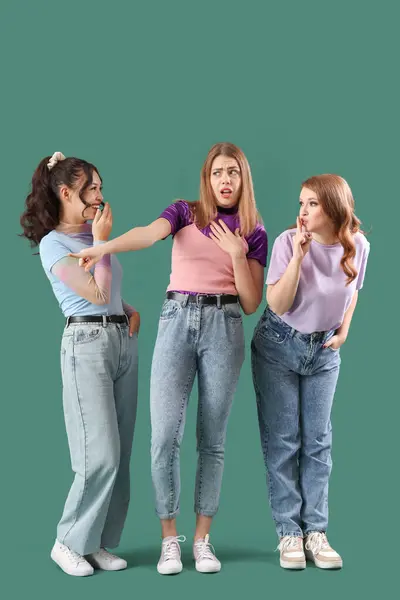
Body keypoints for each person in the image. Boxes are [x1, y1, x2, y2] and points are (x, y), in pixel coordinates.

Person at [70, 142, 268, 574]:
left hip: (225, 324)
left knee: (212, 440)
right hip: (177, 319)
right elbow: (147, 233)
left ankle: (202, 541)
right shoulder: (185, 211)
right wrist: (102, 248)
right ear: (207, 177)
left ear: (243, 178)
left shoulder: (254, 232)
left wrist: (237, 255)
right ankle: (170, 541)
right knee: (164, 438)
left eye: (233, 172)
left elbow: (252, 302)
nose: (225, 180)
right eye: (217, 172)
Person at [20, 152, 140, 577]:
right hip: (85, 344)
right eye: (92, 188)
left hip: (121, 340)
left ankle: (98, 543)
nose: (100, 197)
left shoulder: (93, 233)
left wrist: (125, 308)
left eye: (101, 187)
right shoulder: (55, 243)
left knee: (121, 454)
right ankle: (67, 541)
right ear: (66, 193)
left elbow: (107, 293)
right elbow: (90, 294)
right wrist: (103, 246)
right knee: (98, 454)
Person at [251, 174, 370, 570]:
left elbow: (353, 294)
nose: (302, 212)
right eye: (301, 203)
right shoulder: (288, 243)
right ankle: (289, 533)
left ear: (333, 207)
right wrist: (300, 257)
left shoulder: (359, 244)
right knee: (284, 441)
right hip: (278, 345)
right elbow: (278, 303)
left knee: (318, 443)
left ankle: (316, 532)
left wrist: (345, 332)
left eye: (312, 204)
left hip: (324, 352)